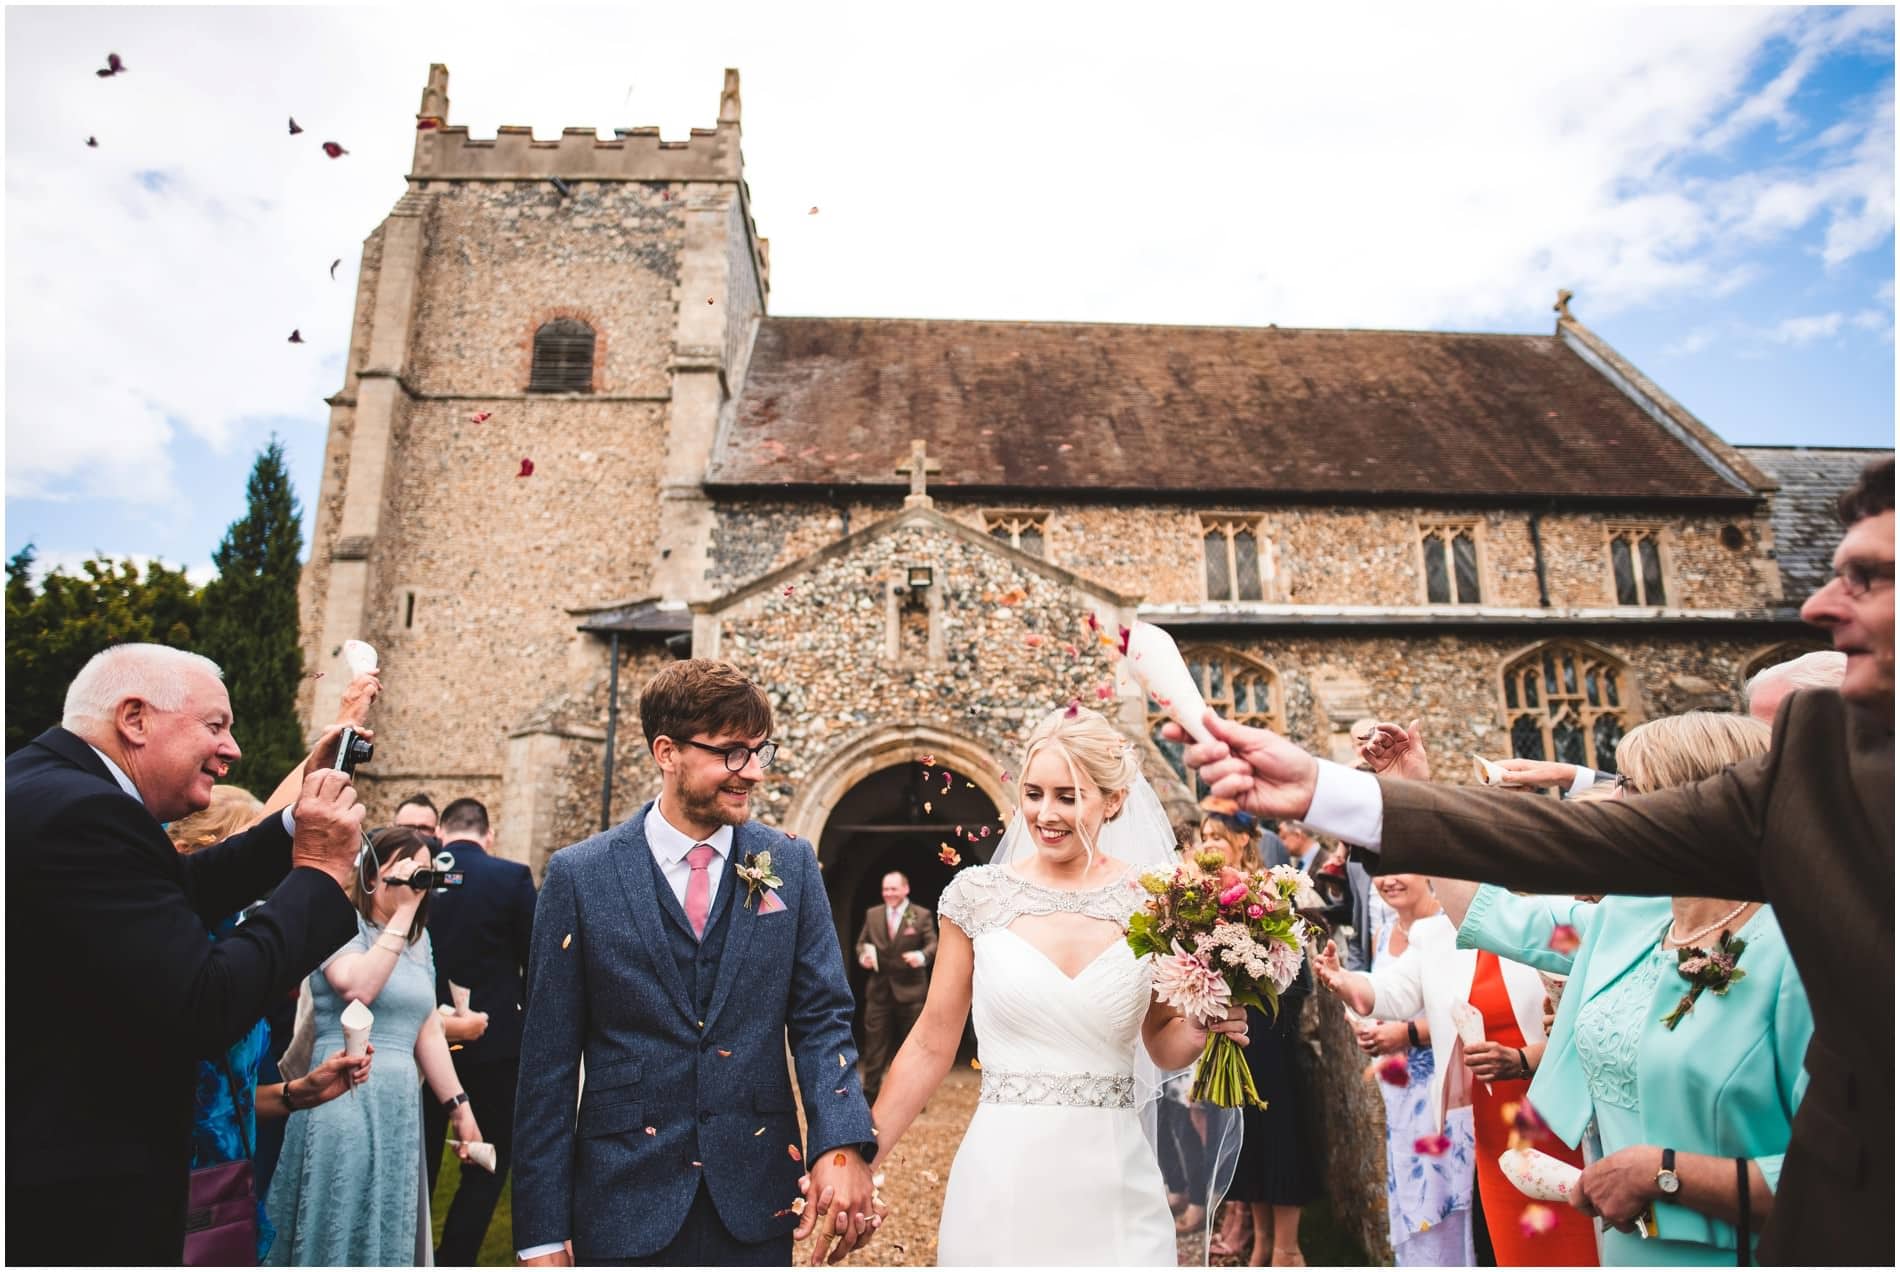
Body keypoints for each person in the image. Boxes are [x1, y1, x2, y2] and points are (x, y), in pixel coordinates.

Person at [1169, 456, 1894, 1264]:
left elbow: (1852, 1159)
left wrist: (1665, 1174)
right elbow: (1516, 888)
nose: (1816, 603)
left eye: (1869, 578)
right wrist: (1337, 790)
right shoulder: (1627, 918)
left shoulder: (1798, 924)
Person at [6, 642, 366, 1266]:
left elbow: (185, 892)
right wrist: (319, 872)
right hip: (75, 1202)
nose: (233, 750)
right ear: (135, 719)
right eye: (215, 726)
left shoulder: (51, 790)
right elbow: (203, 1003)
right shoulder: (84, 813)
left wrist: (292, 823)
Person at [1411, 712, 1812, 1266]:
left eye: (1628, 786)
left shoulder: (1800, 953)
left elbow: (1850, 1172)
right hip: (1629, 1250)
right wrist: (1413, 794)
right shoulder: (1628, 920)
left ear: (1700, 806)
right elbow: (1493, 914)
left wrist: (1664, 1173)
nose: (1609, 803)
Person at [512, 659, 877, 1266]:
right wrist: (542, 1232)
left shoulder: (790, 863)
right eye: (733, 753)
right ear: (667, 752)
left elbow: (822, 1020)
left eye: (760, 752)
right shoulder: (580, 877)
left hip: (755, 1197)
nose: (753, 772)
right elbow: (547, 1063)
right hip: (621, 1196)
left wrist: (840, 1143)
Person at [868, 705, 1252, 1266]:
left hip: (1117, 1180)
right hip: (1003, 1178)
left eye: (1068, 797)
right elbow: (931, 1041)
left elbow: (1160, 1040)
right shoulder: (977, 897)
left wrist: (1197, 1026)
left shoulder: (1157, 901)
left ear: (1112, 800)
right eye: (1033, 793)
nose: (1044, 814)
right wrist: (859, 1155)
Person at [1314, 884, 1594, 1265]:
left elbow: (1585, 1018)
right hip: (1499, 1130)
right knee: (1518, 1249)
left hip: (1565, 1117)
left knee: (1583, 1242)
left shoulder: (1555, 914)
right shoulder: (1436, 935)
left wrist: (1521, 1059)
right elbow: (1389, 992)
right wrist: (1343, 980)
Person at [171, 785, 376, 1263]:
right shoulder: (178, 958)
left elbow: (226, 1094)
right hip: (170, 1190)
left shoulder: (239, 946)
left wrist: (297, 1092)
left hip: (231, 1181)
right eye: (244, 851)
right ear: (189, 858)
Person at [265, 826, 484, 1265]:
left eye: (423, 875)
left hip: (398, 1103)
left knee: (385, 1227)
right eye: (404, 871)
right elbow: (359, 987)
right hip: (341, 1091)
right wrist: (403, 914)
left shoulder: (418, 941)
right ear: (372, 873)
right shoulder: (337, 923)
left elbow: (424, 1028)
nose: (415, 885)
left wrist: (461, 1110)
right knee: (338, 1223)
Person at [1198, 809, 1319, 1266]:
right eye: (1204, 837)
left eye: (1218, 836)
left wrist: (1254, 986)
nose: (1209, 844)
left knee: (1277, 1135)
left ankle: (1288, 1248)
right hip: (1226, 1034)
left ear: (1243, 843)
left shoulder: (1266, 893)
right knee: (1244, 1141)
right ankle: (1262, 1240)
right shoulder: (1197, 897)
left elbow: (1298, 975)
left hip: (1268, 1032)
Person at [419, 796, 535, 1263]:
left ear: (442, 832)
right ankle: (456, 1257)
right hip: (493, 1045)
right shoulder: (510, 877)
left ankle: (413, 1250)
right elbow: (536, 957)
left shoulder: (420, 874)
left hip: (420, 1040)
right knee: (488, 1157)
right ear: (488, 836)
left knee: (420, 1156)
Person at [1352, 873, 1476, 1266]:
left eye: (1399, 869)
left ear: (1427, 873)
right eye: (1381, 873)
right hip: (1400, 1096)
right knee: (1410, 1189)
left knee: (1446, 1194)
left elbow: (1463, 1009)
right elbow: (1379, 994)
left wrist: (1406, 1033)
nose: (1388, 881)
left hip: (1440, 1089)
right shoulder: (1384, 930)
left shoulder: (1450, 927)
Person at [853, 871, 938, 1103]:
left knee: (912, 1048)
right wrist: (863, 958)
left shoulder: (920, 915)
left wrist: (921, 956)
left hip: (911, 992)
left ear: (905, 889)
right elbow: (861, 944)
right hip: (879, 991)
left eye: (893, 889)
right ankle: (869, 1097)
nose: (889, 893)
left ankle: (913, 1098)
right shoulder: (873, 914)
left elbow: (932, 943)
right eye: (885, 889)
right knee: (874, 1047)